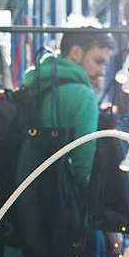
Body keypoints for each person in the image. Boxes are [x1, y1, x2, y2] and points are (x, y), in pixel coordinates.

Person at [22, 26, 116, 187]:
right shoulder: (83, 96)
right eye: (98, 61)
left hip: (24, 188)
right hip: (60, 194)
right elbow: (83, 165)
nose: (102, 72)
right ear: (76, 53)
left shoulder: (36, 83)